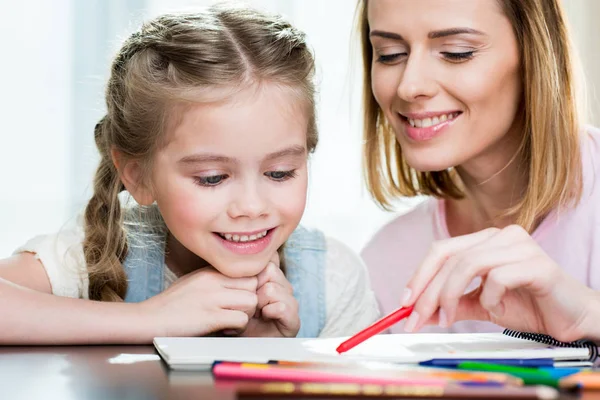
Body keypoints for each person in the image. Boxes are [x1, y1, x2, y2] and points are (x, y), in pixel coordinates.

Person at [0, 4, 379, 344]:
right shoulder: (93, 258)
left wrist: (270, 355)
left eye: (280, 173)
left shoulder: (334, 280)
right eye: (212, 178)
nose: (251, 206)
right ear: (137, 176)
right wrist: (149, 319)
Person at [358, 0, 600, 342]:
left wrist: (588, 314)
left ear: (535, 54)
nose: (409, 87)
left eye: (456, 52)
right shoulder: (385, 263)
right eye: (390, 54)